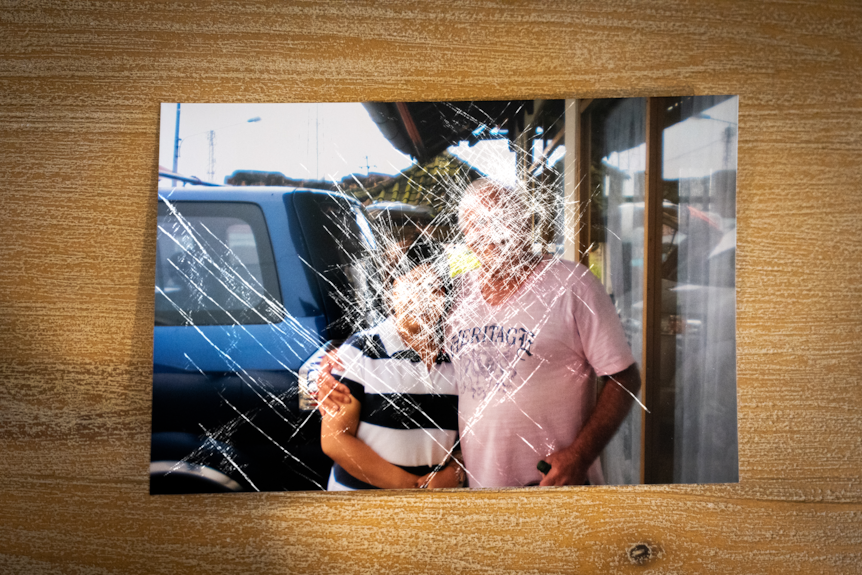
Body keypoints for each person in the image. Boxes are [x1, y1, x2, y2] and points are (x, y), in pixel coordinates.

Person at [320, 178, 641, 488]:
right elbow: (408, 331)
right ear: (465, 235)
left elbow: (624, 378)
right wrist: (330, 366)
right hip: (477, 491)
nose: (490, 233)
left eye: (501, 219)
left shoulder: (573, 285)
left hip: (553, 483)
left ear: (526, 223)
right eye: (476, 224)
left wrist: (580, 455)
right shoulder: (457, 293)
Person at [320, 241, 464, 491]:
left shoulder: (459, 360)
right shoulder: (360, 351)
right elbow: (334, 440)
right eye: (412, 286)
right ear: (393, 291)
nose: (422, 300)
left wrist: (456, 472)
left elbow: (468, 441)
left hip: (429, 512)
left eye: (433, 289)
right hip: (360, 510)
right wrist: (407, 486)